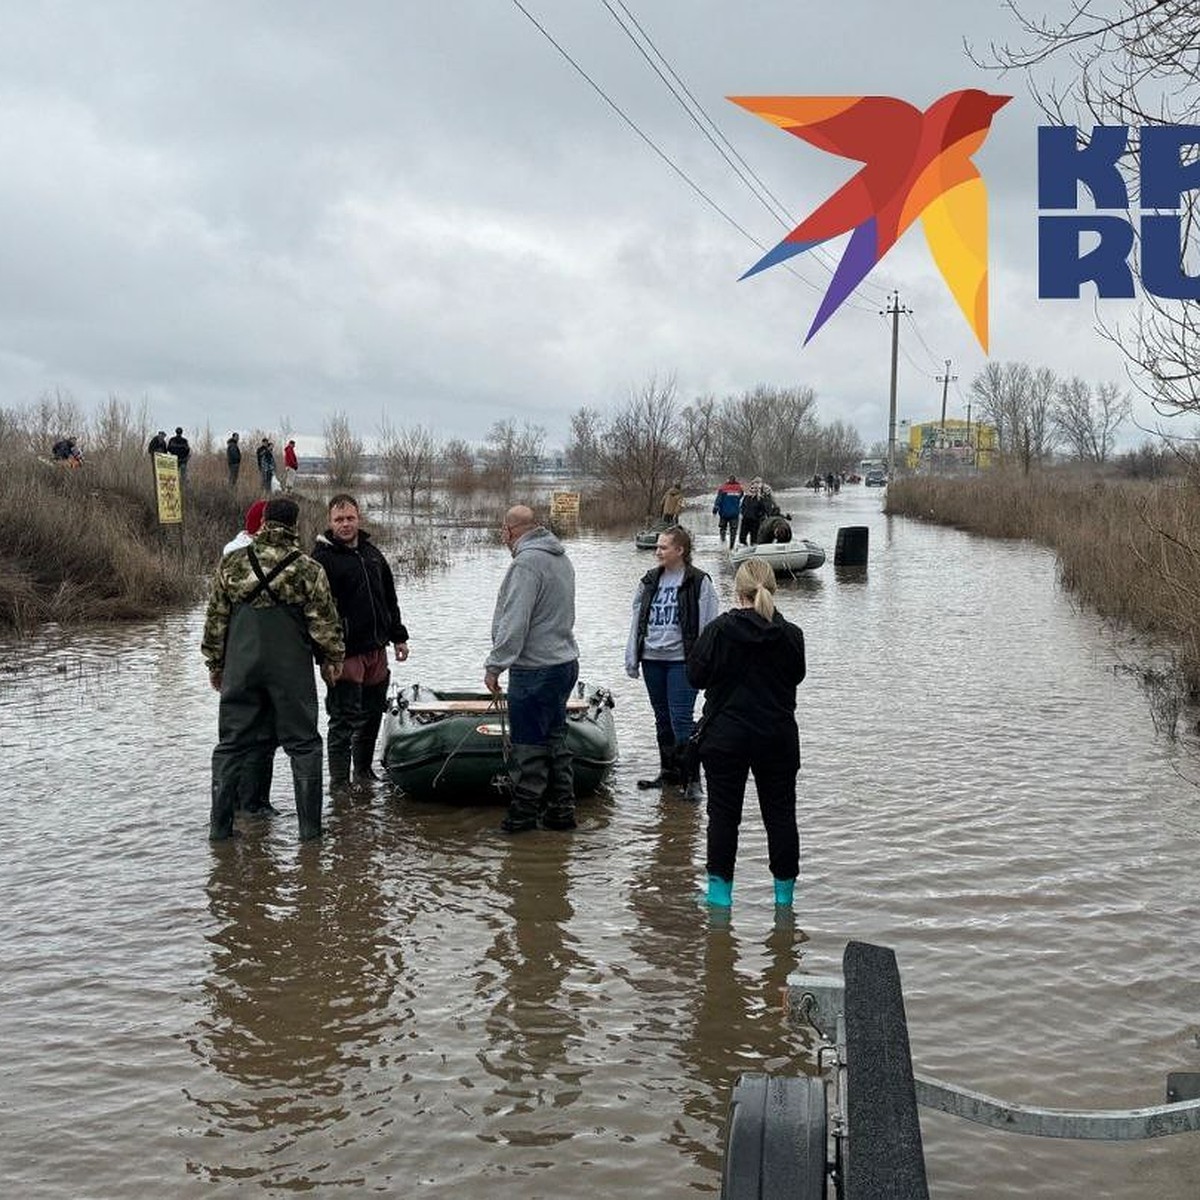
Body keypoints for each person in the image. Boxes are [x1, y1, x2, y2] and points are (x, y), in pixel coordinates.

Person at [201, 497, 345, 842]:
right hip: (290, 673)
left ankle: (219, 832)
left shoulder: (231, 564)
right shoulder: (308, 569)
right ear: (295, 525)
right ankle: (310, 836)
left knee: (231, 744)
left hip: (242, 668)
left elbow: (215, 621)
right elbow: (325, 625)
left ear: (263, 521)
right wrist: (332, 661)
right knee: (305, 745)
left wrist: (215, 665)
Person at [686, 559, 807, 909]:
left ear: (736, 591)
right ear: (774, 588)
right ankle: (784, 902)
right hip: (777, 737)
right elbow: (796, 677)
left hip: (725, 737)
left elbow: (695, 677)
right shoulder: (791, 635)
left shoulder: (718, 631)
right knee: (781, 816)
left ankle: (720, 899)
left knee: (723, 818)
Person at [484, 504, 580, 833]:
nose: (503, 537)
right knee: (555, 739)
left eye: (504, 532)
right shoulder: (561, 558)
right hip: (565, 663)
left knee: (528, 745)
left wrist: (495, 666)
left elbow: (514, 623)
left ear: (510, 531)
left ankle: (522, 818)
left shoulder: (525, 564)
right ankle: (561, 812)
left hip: (535, 669)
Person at [313, 494, 410, 791]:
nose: (345, 524)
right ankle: (340, 785)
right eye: (339, 520)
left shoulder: (372, 554)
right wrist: (324, 656)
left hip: (376, 649)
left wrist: (399, 636)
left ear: (359, 519)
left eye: (350, 518)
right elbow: (315, 613)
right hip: (343, 655)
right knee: (343, 721)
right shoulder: (321, 560)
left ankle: (364, 772)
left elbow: (388, 598)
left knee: (371, 715)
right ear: (330, 522)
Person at [625, 524, 719, 802]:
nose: (657, 552)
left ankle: (692, 780)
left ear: (680, 550)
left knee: (681, 720)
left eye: (663, 547)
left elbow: (709, 626)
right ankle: (668, 774)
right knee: (662, 718)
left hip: (682, 661)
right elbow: (636, 620)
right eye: (657, 547)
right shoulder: (649, 580)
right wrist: (632, 656)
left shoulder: (699, 582)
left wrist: (705, 665)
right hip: (652, 659)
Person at [219, 498, 274, 814]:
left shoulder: (240, 555)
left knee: (260, 731)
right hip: (244, 660)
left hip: (248, 659)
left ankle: (252, 803)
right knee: (249, 732)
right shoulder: (237, 558)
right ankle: (245, 803)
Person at [712, 475, 743, 547]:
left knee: (722, 528)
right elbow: (740, 497)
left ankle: (723, 543)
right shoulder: (739, 488)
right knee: (733, 530)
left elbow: (718, 500)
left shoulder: (723, 488)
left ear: (728, 480)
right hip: (735, 513)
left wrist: (715, 510)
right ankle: (731, 546)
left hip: (724, 513)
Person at [738, 477, 767, 545]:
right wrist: (743, 513)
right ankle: (744, 547)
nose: (752, 490)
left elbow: (763, 510)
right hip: (745, 520)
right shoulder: (746, 497)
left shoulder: (760, 499)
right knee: (742, 538)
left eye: (754, 489)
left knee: (754, 538)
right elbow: (742, 507)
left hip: (755, 521)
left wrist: (758, 516)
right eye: (751, 488)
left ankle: (753, 549)